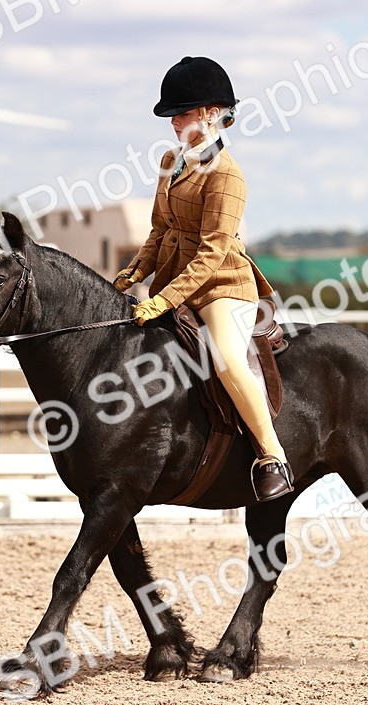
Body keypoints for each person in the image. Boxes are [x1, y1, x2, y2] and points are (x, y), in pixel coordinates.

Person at [114, 55, 293, 501]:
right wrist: (133, 273)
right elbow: (161, 230)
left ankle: (272, 456)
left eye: (184, 113)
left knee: (228, 358)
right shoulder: (170, 160)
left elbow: (213, 251)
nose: (175, 123)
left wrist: (164, 300)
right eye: (173, 115)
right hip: (174, 281)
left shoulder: (228, 175)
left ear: (212, 114)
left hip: (222, 286)